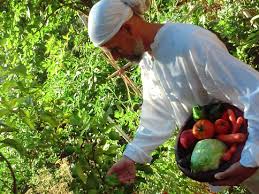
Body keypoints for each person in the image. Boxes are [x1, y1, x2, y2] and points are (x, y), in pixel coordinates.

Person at [87, 0, 259, 193]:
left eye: (115, 49)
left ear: (127, 28)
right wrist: (131, 157)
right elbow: (157, 114)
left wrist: (252, 158)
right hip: (239, 158)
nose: (116, 58)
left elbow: (254, 91)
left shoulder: (191, 43)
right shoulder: (149, 60)